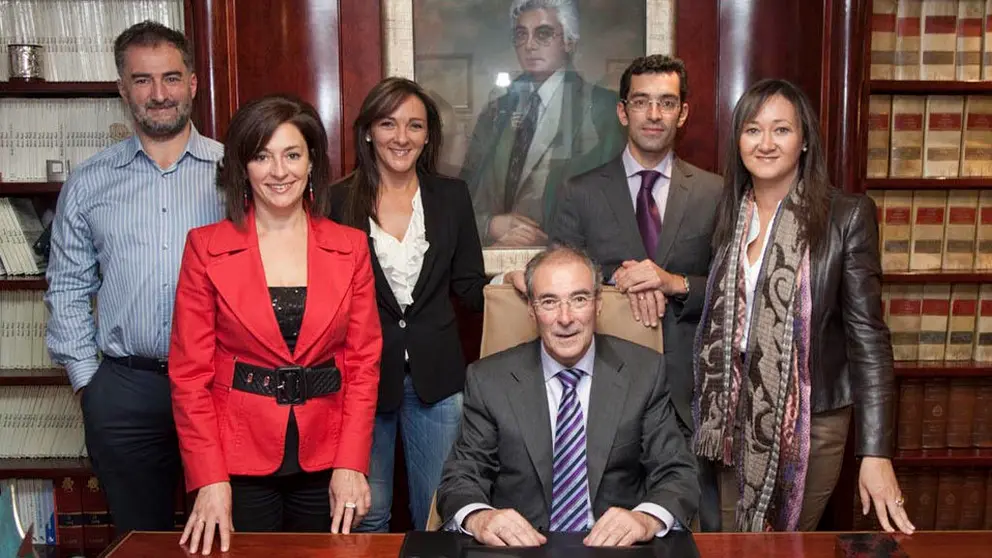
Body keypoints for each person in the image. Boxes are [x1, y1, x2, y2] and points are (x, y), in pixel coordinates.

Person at [692, 79, 912, 535]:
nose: (766, 143)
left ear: (805, 139)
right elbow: (726, 312)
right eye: (753, 130)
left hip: (813, 424)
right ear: (738, 142)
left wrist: (876, 451)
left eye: (781, 130)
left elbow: (868, 338)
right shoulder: (730, 214)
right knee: (733, 544)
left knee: (780, 545)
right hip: (734, 418)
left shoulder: (845, 215)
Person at [169, 95, 382, 553]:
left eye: (292, 154)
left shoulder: (351, 247)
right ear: (242, 167)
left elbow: (363, 366)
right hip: (237, 459)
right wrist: (208, 478)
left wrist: (352, 463)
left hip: (327, 456)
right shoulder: (205, 248)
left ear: (311, 164)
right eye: (261, 156)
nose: (278, 171)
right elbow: (189, 377)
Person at [44, 20, 223, 535]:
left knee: (224, 533)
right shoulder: (90, 181)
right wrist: (88, 382)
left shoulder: (234, 173)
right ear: (122, 89)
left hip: (218, 384)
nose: (159, 94)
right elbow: (69, 286)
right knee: (137, 539)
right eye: (142, 80)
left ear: (192, 84)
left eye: (171, 77)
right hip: (124, 389)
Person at [541, 54, 723, 529]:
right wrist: (614, 279)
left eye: (667, 103)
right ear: (623, 111)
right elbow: (559, 278)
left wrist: (672, 282)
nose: (654, 114)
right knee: (604, 522)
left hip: (690, 389)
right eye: (642, 102)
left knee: (684, 519)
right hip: (602, 384)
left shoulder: (714, 192)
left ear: (683, 112)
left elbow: (733, 290)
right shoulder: (580, 190)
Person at [437, 245, 698, 547]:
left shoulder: (643, 373)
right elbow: (461, 477)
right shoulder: (488, 381)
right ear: (532, 310)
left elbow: (677, 473)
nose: (565, 318)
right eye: (549, 302)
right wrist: (480, 517)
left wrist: (645, 519)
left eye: (579, 299)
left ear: (598, 304)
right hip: (521, 549)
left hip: (615, 550)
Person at [329, 77, 487, 532]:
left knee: (437, 514)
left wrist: (518, 286)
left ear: (427, 135)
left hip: (437, 382)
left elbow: (469, 286)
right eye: (388, 124)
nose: (401, 137)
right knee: (366, 514)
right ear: (367, 132)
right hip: (362, 384)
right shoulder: (339, 201)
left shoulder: (451, 197)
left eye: (414, 126)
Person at [460, 0, 624, 246]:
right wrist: (490, 225)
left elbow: (617, 203)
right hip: (495, 265)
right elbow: (464, 193)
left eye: (543, 33)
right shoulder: (497, 111)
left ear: (569, 41)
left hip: (567, 267)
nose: (529, 44)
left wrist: (555, 242)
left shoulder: (602, 108)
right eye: (520, 34)